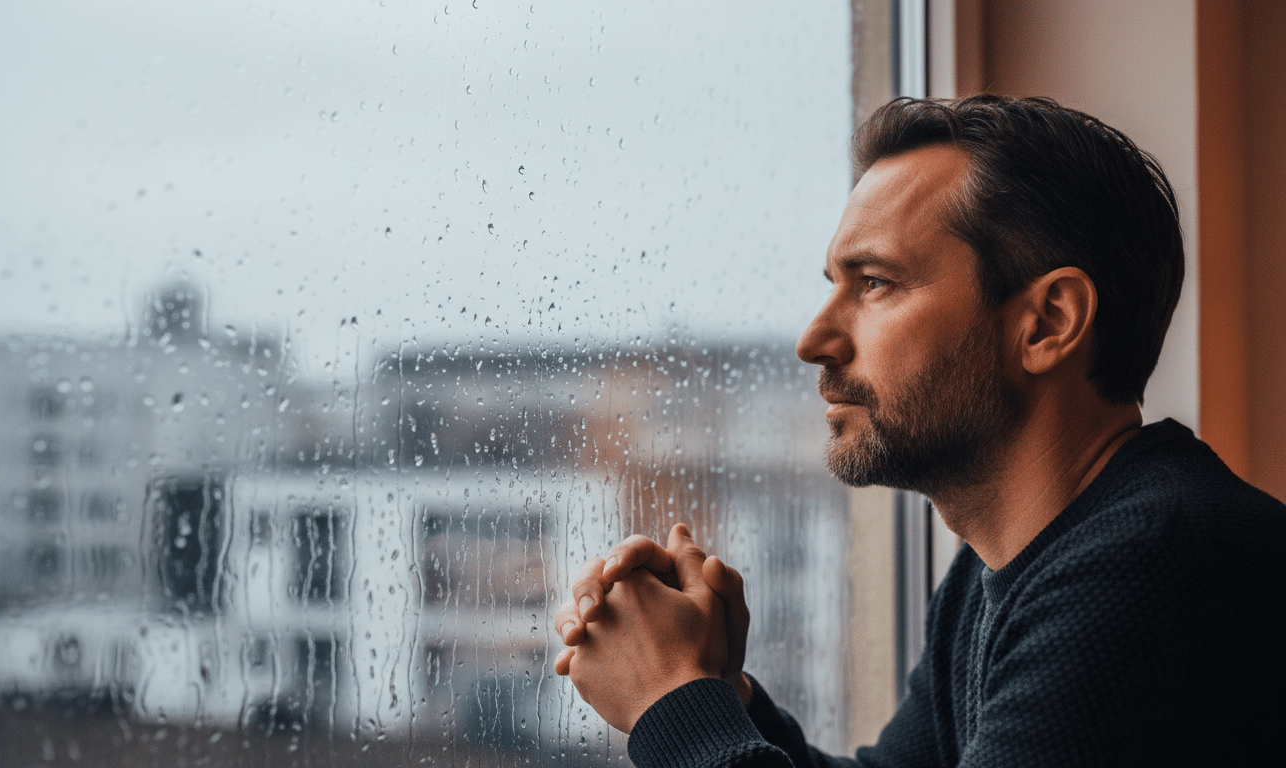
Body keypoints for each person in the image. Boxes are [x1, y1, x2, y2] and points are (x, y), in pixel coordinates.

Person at [551, 95, 1286, 767]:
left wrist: (672, 704)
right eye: (832, 285)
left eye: (875, 283)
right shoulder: (1004, 569)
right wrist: (715, 687)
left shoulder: (1153, 567)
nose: (814, 338)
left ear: (1048, 323)